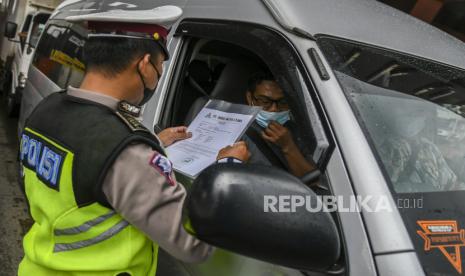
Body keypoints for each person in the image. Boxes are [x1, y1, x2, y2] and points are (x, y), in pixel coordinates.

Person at [18, 6, 249, 276]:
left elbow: (83, 172)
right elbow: (193, 246)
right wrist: (227, 166)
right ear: (143, 65)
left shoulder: (47, 110)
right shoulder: (126, 152)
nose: (159, 75)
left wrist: (154, 143)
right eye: (160, 66)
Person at [242, 72, 315, 177]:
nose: (274, 109)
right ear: (250, 98)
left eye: (283, 102)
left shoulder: (297, 130)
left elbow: (314, 181)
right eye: (265, 102)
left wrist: (288, 146)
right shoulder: (237, 131)